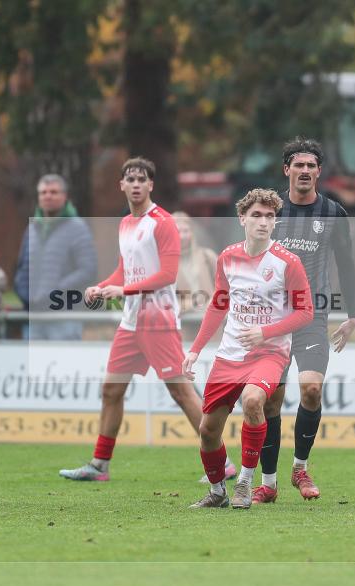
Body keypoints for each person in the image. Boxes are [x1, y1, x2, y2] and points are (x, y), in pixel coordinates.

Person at [58, 157, 231, 481]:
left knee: (181, 393)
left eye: (142, 179)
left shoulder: (162, 222)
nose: (136, 184)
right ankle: (100, 465)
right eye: (130, 179)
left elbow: (166, 274)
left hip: (159, 321)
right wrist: (103, 286)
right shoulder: (126, 224)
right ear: (121, 185)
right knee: (111, 389)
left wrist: (121, 290)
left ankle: (223, 464)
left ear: (151, 185)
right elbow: (125, 271)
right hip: (131, 322)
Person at [184, 188, 313, 509]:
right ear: (242, 219)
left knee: (253, 400)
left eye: (270, 216)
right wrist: (195, 350)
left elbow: (305, 311)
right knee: (208, 430)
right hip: (229, 355)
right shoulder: (228, 257)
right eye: (256, 215)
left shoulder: (288, 262)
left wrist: (265, 332)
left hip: (270, 353)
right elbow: (218, 304)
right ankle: (217, 491)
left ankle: (245, 480)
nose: (263, 222)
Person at [251, 137, 355, 504]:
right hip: (270, 320)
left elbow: (346, 263)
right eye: (298, 165)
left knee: (311, 390)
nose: (305, 171)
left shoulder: (333, 213)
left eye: (311, 165)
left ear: (318, 172)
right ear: (286, 170)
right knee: (270, 403)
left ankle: (299, 467)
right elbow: (249, 263)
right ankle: (269, 482)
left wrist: (353, 315)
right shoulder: (269, 212)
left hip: (312, 318)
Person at [14, 174, 97, 340]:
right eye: (43, 192)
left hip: (64, 316)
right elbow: (22, 269)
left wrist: (54, 293)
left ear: (64, 196)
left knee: (64, 364)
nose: (48, 196)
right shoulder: (32, 228)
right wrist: (26, 296)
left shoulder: (78, 228)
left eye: (53, 192)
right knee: (34, 365)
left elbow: (88, 270)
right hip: (34, 317)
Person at [172, 211, 217, 314]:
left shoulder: (207, 256)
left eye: (186, 231)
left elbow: (226, 287)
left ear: (192, 232)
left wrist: (215, 300)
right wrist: (192, 304)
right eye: (178, 231)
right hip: (185, 325)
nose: (182, 236)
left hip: (210, 323)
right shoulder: (165, 263)